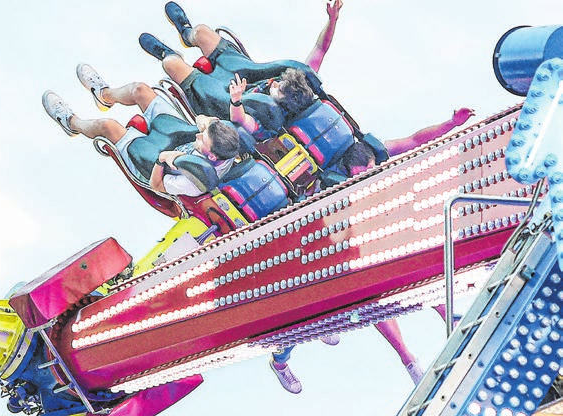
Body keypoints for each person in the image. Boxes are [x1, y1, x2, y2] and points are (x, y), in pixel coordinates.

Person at [268, 108, 477, 393]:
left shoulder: (372, 152)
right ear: (346, 170)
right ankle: (280, 362)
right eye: (359, 176)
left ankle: (444, 317)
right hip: (322, 251)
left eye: (369, 172)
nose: (365, 178)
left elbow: (414, 140)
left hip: (358, 240)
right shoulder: (326, 185)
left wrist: (451, 123)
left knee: (401, 269)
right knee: (305, 319)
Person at [43, 64, 244, 197]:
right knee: (140, 90)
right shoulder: (223, 138)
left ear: (212, 158)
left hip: (152, 162)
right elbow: (205, 123)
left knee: (108, 126)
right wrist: (204, 121)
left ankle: (71, 122)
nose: (198, 137)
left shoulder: (191, 183)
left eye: (202, 141)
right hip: (174, 134)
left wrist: (162, 158)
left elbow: (157, 185)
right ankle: (104, 95)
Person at [137, 1, 341, 129]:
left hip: (222, 98)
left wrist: (236, 100)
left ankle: (168, 53)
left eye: (278, 90)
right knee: (202, 32)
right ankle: (187, 33)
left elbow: (244, 121)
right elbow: (320, 49)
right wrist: (333, 20)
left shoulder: (268, 119)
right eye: (279, 83)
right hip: (244, 75)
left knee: (171, 64)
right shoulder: (293, 86)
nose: (275, 84)